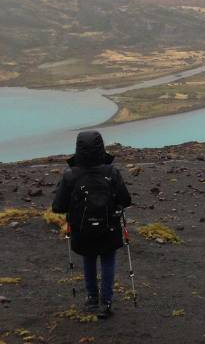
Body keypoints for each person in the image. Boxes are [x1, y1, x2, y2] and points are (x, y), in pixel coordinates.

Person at [52, 131, 132, 318]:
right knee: (108, 261)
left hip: (81, 229)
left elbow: (58, 207)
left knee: (88, 259)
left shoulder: (70, 175)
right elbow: (125, 200)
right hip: (109, 227)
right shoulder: (111, 172)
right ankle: (106, 302)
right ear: (101, 147)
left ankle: (92, 299)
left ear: (78, 148)